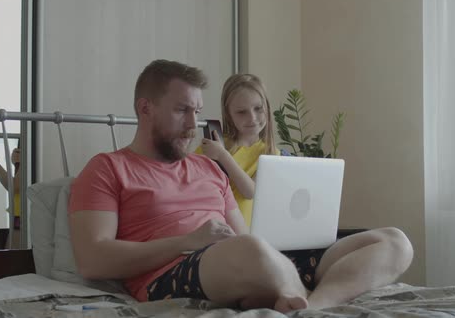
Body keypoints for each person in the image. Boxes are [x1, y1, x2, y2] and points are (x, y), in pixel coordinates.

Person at [68, 59, 413, 313]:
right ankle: (294, 297)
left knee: (394, 241)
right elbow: (93, 259)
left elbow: (245, 234)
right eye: (182, 111)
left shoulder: (209, 167)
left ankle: (312, 306)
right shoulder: (108, 168)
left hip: (245, 259)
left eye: (198, 111)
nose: (194, 124)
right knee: (251, 250)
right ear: (146, 108)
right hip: (171, 273)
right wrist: (187, 241)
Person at [197, 74, 277, 226]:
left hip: (247, 235)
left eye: (258, 108)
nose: (252, 118)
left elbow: (250, 191)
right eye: (242, 112)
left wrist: (223, 156)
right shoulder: (214, 145)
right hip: (216, 234)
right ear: (229, 115)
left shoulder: (271, 154)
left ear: (267, 107)